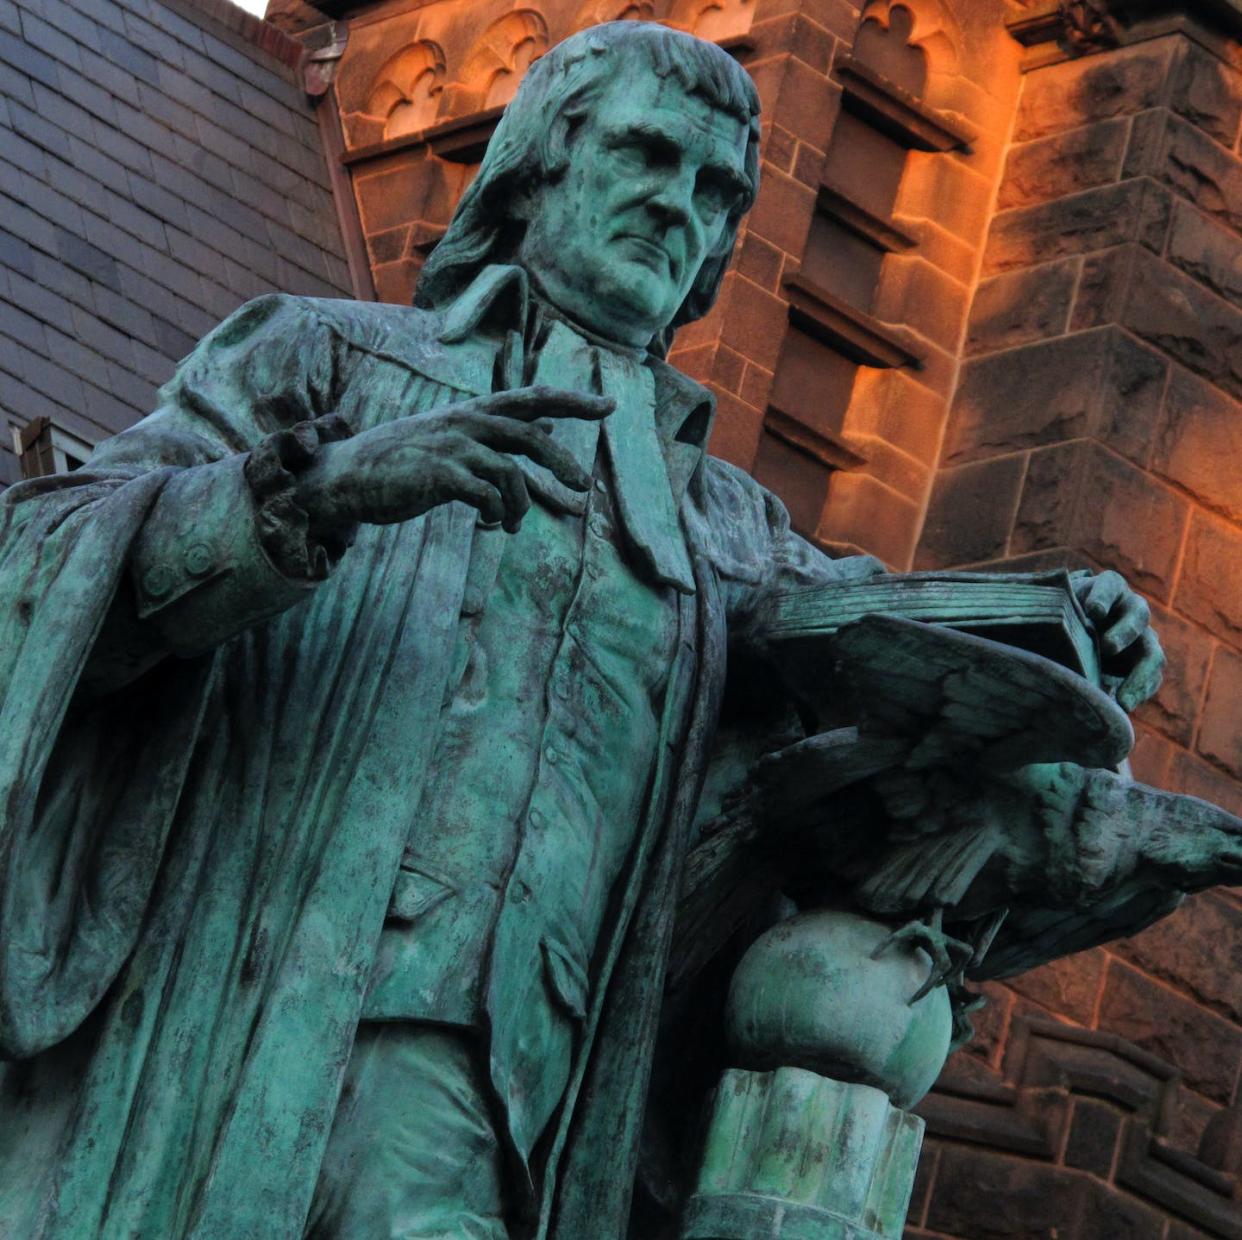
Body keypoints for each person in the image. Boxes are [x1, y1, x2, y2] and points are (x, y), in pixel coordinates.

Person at [0, 22, 1162, 1240]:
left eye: (718, 193)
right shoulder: (324, 361)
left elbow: (909, 665)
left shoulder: (732, 533)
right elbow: (44, 564)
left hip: (551, 1108)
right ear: (535, 168)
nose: (683, 209)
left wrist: (1070, 625)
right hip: (269, 1016)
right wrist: (323, 489)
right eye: (649, 157)